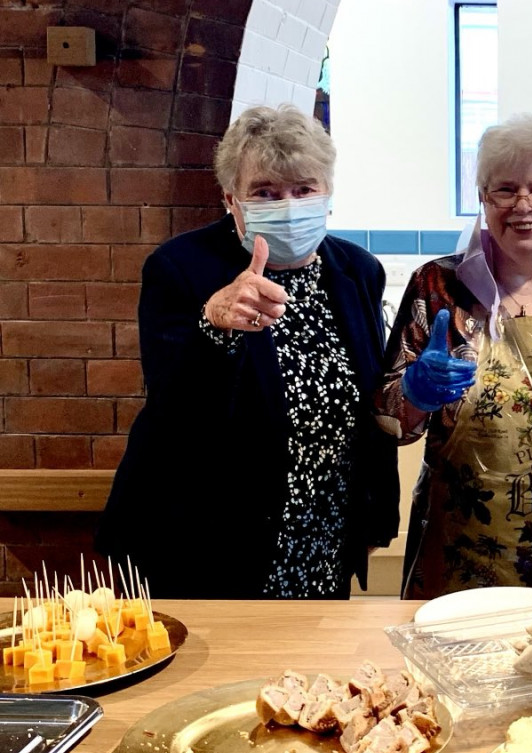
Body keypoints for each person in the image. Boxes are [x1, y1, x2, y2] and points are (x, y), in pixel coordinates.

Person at [98, 105, 398, 599]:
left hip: (322, 534)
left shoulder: (357, 270)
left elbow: (366, 408)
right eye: (265, 193)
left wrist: (375, 517)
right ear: (231, 200)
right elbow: (172, 409)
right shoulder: (181, 267)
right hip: (207, 541)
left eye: (304, 189)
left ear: (327, 194)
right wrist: (214, 324)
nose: (288, 206)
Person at [377, 114, 532, 599]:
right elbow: (389, 423)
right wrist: (413, 394)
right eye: (504, 190)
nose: (523, 206)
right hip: (459, 565)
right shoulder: (438, 287)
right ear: (484, 202)